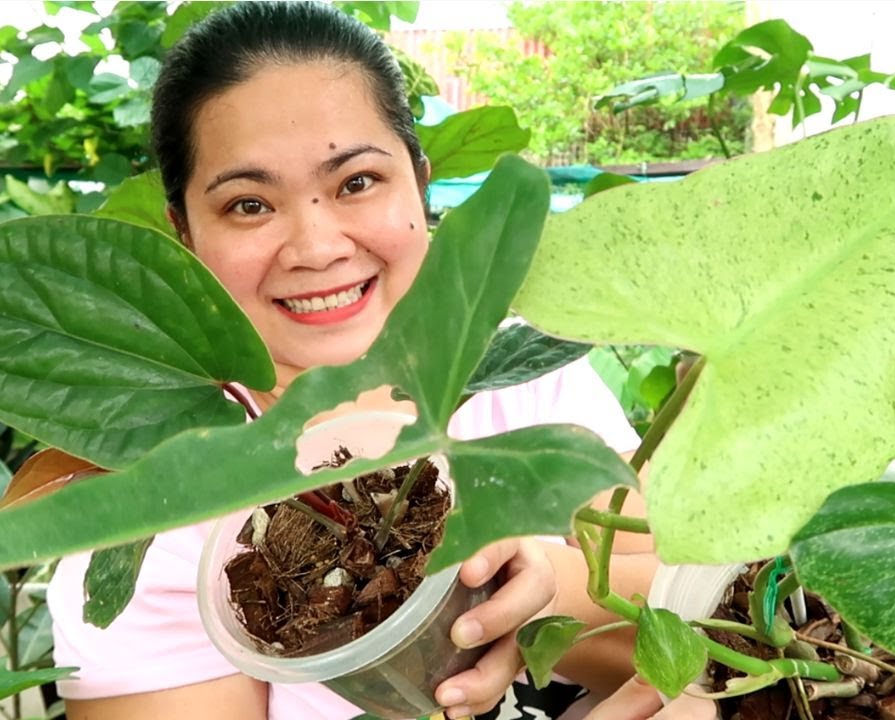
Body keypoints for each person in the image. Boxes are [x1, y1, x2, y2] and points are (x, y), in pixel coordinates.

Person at [46, 3, 713, 719]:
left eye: (356, 182)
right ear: (184, 235)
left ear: (420, 185)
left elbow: (691, 628)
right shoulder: (161, 520)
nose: (316, 246)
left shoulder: (512, 370)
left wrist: (534, 579)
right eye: (248, 205)